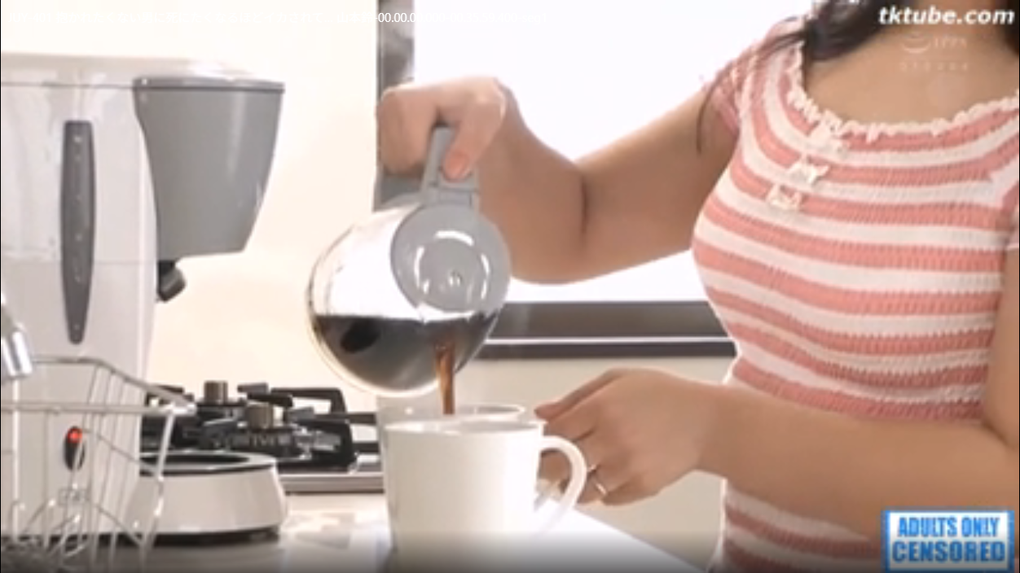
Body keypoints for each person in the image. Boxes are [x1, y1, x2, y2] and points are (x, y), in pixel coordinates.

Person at [376, 0, 1018, 569]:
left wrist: (715, 431)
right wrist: (488, 134)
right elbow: (582, 223)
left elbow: (1006, 513)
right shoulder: (788, 65)